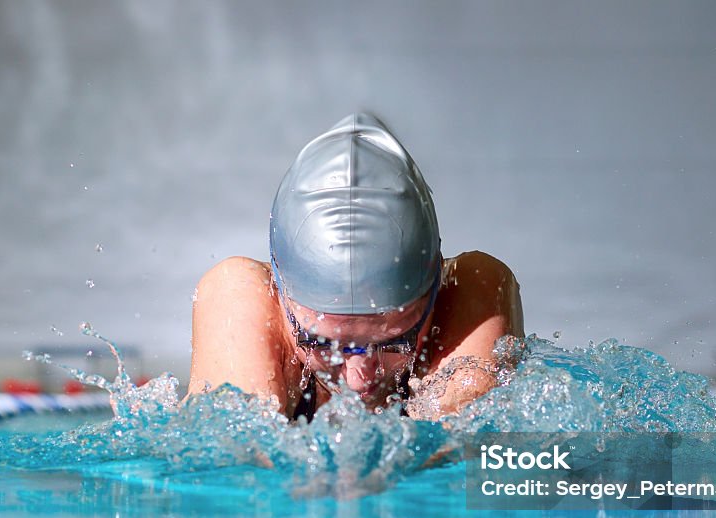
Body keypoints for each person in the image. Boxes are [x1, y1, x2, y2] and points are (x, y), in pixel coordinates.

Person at [187, 113, 523, 421]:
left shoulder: (472, 289)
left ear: (435, 289)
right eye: (322, 343)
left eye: (394, 341)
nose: (359, 378)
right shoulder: (240, 295)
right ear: (281, 296)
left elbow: (470, 467)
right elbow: (234, 469)